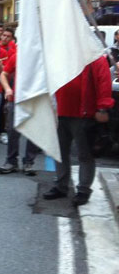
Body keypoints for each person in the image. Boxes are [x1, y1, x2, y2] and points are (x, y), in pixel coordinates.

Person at [43, 56, 114, 206]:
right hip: (60, 112)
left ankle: (83, 190)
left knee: (85, 155)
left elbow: (104, 82)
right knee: (59, 153)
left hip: (84, 115)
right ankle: (61, 186)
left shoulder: (95, 57)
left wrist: (103, 107)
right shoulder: (62, 54)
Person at [0, 53, 40, 175]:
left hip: (35, 100)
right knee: (12, 132)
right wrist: (7, 89)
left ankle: (29, 162)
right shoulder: (17, 56)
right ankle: (11, 161)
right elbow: (4, 74)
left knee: (33, 132)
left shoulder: (41, 57)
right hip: (16, 100)